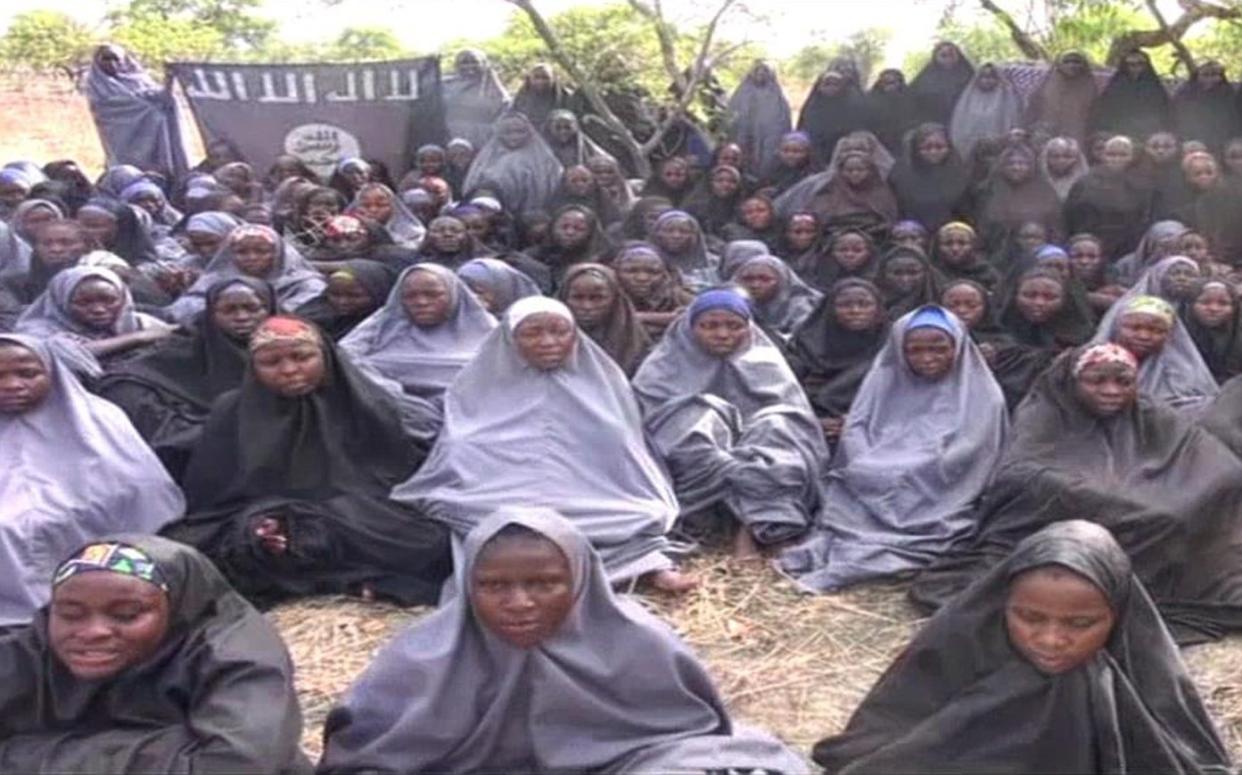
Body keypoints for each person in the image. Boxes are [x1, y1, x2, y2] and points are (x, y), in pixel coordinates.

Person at [318, 508, 805, 773]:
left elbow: (692, 739)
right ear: (468, 587)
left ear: (579, 580)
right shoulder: (422, 656)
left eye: (543, 584)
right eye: (493, 587)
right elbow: (366, 754)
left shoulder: (636, 642)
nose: (519, 603)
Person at [818, 521, 1233, 773]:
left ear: (1120, 617)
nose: (1051, 640)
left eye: (1081, 624)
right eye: (1029, 618)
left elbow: (1189, 758)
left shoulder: (1145, 673)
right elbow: (877, 747)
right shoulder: (958, 645)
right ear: (1003, 604)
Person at [911, 344, 1242, 644]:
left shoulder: (1145, 410)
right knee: (1159, 518)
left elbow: (1207, 455)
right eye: (1096, 381)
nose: (1111, 391)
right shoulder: (1046, 411)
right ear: (1073, 381)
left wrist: (1196, 491)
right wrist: (1109, 499)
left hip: (1140, 501)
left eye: (1123, 381)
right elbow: (1022, 473)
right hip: (1062, 513)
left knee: (1183, 513)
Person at [391, 297, 691, 590]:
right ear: (510, 338)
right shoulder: (476, 385)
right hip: (496, 494)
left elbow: (628, 457)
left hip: (597, 499)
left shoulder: (605, 385)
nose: (548, 342)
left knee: (639, 516)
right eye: (533, 333)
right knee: (486, 524)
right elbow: (459, 448)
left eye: (559, 332)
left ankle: (646, 566)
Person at [162, 316, 448, 606]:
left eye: (302, 357)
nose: (289, 370)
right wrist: (261, 524)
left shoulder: (368, 405)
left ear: (325, 356)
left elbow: (393, 479)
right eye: (271, 362)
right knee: (208, 549)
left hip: (358, 519)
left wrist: (321, 519)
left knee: (430, 541)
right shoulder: (231, 412)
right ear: (253, 368)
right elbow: (213, 498)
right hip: (268, 516)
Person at [0, 535, 313, 773]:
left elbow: (240, 762)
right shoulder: (33, 648)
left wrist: (29, 757)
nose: (92, 631)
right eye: (70, 613)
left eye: (126, 614)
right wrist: (166, 747)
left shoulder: (234, 654)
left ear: (178, 609)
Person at [780, 305, 1007, 591]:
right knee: (849, 492)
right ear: (900, 350)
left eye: (939, 349)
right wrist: (864, 459)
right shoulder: (884, 380)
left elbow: (970, 450)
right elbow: (858, 426)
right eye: (915, 350)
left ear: (958, 347)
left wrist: (908, 466)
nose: (927, 358)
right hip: (874, 469)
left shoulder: (982, 393)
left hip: (939, 482)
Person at [0, 334, 184, 625]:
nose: (11, 385)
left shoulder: (100, 418)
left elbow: (144, 489)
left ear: (53, 373)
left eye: (27, 373)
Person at [633, 288, 829, 559]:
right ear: (690, 328)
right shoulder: (662, 367)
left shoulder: (767, 362)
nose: (722, 334)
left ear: (748, 329)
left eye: (734, 326)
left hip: (757, 447)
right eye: (709, 326)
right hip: (702, 456)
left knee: (779, 427)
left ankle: (752, 527)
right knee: (693, 422)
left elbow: (795, 416)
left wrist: (751, 446)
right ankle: (716, 522)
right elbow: (651, 421)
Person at [95, 277, 276, 480]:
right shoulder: (186, 347)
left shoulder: (292, 350)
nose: (241, 317)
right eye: (229, 310)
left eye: (252, 309)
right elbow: (130, 375)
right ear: (210, 313)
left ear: (269, 309)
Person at [340, 264, 497, 402]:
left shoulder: (485, 329)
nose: (421, 302)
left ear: (454, 295)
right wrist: (388, 391)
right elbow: (343, 358)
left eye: (433, 295)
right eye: (410, 296)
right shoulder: (385, 323)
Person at [786, 278, 889, 447]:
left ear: (878, 309)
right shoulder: (806, 344)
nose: (855, 311)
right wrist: (812, 422)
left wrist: (857, 422)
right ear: (829, 309)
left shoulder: (892, 346)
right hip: (809, 428)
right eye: (844, 305)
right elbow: (786, 396)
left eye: (864, 304)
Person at [166, 224, 325, 323]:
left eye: (261, 251)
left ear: (278, 253)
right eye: (242, 252)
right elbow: (182, 309)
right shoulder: (216, 278)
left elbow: (308, 310)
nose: (252, 258)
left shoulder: (304, 282)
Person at [15, 266, 175, 361]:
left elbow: (176, 335)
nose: (99, 309)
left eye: (109, 300)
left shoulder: (138, 323)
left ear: (123, 298)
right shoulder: (35, 331)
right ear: (61, 302)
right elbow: (62, 356)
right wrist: (136, 338)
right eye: (84, 303)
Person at [84, 44, 189, 178]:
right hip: (123, 138)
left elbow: (161, 98)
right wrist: (149, 111)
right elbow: (110, 107)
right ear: (98, 60)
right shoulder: (97, 84)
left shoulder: (139, 80)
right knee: (128, 174)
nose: (112, 63)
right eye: (106, 59)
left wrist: (169, 79)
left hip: (157, 137)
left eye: (116, 59)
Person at [558, 263, 652, 376]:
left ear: (614, 300)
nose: (587, 306)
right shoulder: (548, 340)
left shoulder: (635, 342)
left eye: (597, 298)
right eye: (577, 297)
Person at [461, 112, 562, 215]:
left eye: (520, 131)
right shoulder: (488, 156)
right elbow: (473, 185)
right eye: (508, 132)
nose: (514, 136)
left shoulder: (545, 158)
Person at [887, 122, 970, 233]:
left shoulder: (961, 176)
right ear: (916, 150)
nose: (933, 152)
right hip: (911, 236)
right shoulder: (900, 176)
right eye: (927, 148)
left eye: (939, 147)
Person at [294, 259, 394, 341]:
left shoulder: (385, 328)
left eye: (354, 296)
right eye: (334, 294)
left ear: (379, 293)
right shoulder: (311, 315)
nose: (342, 302)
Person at [612, 241, 693, 339]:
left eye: (653, 272)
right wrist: (666, 318)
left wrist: (641, 317)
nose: (642, 278)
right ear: (616, 271)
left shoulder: (677, 296)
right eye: (631, 271)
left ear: (664, 274)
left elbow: (699, 315)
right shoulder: (608, 294)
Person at [729, 253, 822, 338]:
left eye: (765, 279)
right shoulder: (732, 304)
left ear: (782, 281)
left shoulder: (800, 306)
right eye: (748, 279)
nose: (755, 285)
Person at [726, 60, 793, 175]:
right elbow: (731, 118)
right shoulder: (741, 93)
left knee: (767, 164)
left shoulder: (777, 97)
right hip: (743, 137)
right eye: (757, 71)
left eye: (764, 71)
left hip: (769, 140)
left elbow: (783, 123)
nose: (760, 74)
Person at [1089, 48, 1171, 141]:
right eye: (1131, 64)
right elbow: (1104, 112)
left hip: (1149, 137)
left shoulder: (1156, 88)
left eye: (1140, 64)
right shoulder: (1115, 87)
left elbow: (1165, 113)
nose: (1136, 67)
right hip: (1118, 137)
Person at [948, 63, 1023, 160]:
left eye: (992, 77)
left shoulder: (1007, 99)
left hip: (999, 153)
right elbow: (959, 126)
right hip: (969, 153)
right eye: (983, 77)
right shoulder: (966, 100)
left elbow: (1012, 124)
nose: (987, 80)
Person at [798, 69, 871, 166]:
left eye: (835, 84)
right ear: (819, 87)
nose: (831, 88)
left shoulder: (852, 109)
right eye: (827, 84)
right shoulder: (811, 107)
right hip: (814, 155)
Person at [440, 49, 511, 148]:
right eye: (464, 62)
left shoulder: (494, 88)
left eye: (474, 62)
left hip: (485, 141)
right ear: (456, 65)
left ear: (484, 64)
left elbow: (505, 113)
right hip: (450, 139)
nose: (469, 66)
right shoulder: (444, 86)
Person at [1023, 50, 1098, 144]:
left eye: (1076, 62)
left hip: (1080, 136)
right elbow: (1032, 111)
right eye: (1067, 61)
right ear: (1059, 64)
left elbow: (1096, 115)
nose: (1072, 65)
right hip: (1047, 135)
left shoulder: (1091, 87)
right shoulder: (1045, 84)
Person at [648, 209, 721, 292]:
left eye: (684, 231)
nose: (676, 236)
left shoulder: (715, 264)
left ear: (695, 235)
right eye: (669, 231)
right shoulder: (644, 264)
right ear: (658, 234)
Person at [1184, 279, 1242, 382]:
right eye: (1205, 302)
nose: (1214, 309)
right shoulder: (1173, 337)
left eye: (1223, 303)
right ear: (1190, 305)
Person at [909, 41, 975, 126]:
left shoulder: (969, 76)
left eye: (951, 55)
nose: (948, 59)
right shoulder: (925, 78)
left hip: (963, 123)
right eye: (943, 55)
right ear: (936, 57)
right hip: (932, 126)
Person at [348, 182, 425, 249]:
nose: (373, 210)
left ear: (394, 207)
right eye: (366, 205)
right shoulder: (347, 234)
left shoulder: (413, 233)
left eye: (381, 205)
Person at [456, 256, 542, 315]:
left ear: (503, 291)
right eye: (465, 291)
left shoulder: (529, 324)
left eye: (479, 292)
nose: (472, 297)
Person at [864, 68, 920, 154]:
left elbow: (913, 120)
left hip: (901, 143)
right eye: (885, 82)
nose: (889, 85)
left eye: (892, 82)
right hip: (876, 142)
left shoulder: (909, 99)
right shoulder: (870, 99)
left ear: (899, 83)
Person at [511, 63, 574, 128]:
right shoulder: (521, 97)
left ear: (553, 79)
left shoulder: (565, 97)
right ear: (529, 79)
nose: (540, 81)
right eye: (536, 77)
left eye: (545, 78)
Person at [1037, 136, 1089, 202]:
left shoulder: (1086, 185)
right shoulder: (1036, 184)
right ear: (1046, 158)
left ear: (1077, 159)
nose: (1061, 161)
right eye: (1055, 156)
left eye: (1068, 156)